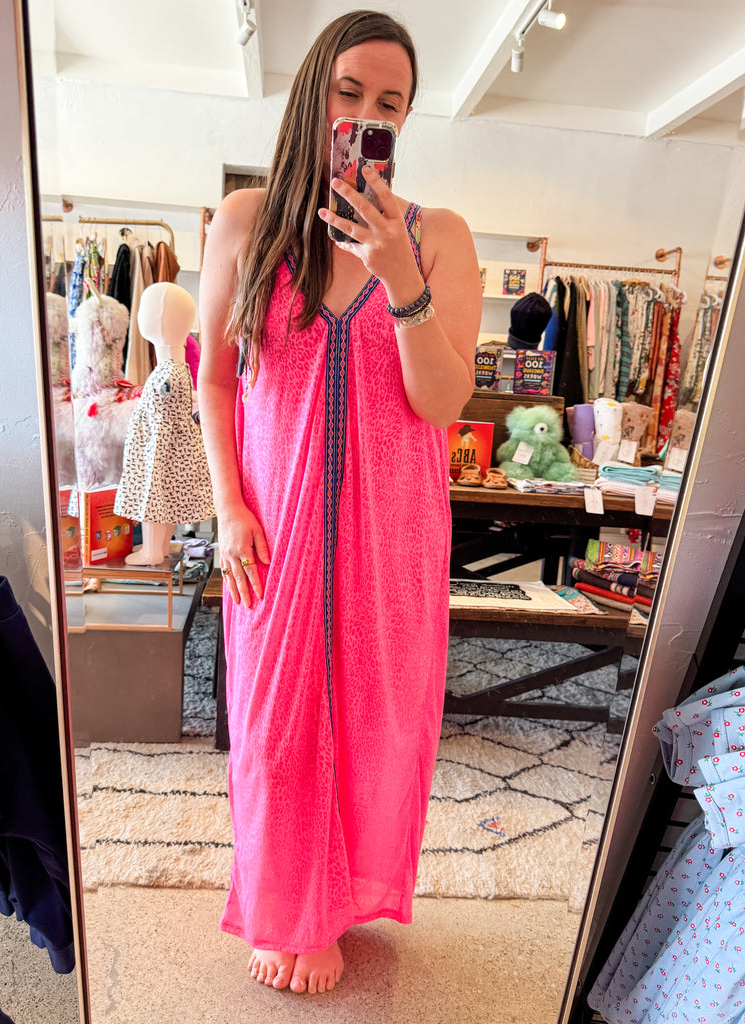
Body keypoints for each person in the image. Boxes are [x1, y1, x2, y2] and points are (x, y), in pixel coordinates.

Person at [197, 9, 481, 996]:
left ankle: (336, 905)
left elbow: (442, 401)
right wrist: (229, 507)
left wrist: (399, 274)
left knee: (376, 729)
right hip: (272, 530)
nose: (368, 114)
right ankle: (289, 908)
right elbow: (215, 382)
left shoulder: (439, 236)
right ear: (313, 93)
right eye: (350, 92)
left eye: (390, 103)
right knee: (273, 729)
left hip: (392, 533)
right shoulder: (244, 222)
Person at [115, 282, 215, 564]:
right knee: (166, 502)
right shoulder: (175, 368)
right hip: (165, 450)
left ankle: (152, 550)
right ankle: (157, 547)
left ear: (159, 317)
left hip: (159, 452)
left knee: (154, 499)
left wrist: (152, 456)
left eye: (144, 310)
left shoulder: (168, 373)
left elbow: (164, 419)